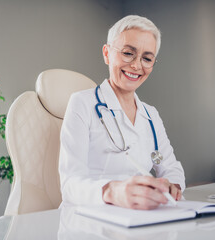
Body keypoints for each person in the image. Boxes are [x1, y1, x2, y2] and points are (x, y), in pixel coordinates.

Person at [59, 15, 185, 210]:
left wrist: (172, 186)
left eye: (147, 58)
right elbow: (70, 184)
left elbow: (170, 167)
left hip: (136, 220)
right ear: (107, 53)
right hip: (85, 221)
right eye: (128, 53)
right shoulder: (82, 103)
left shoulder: (150, 116)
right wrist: (112, 192)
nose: (136, 65)